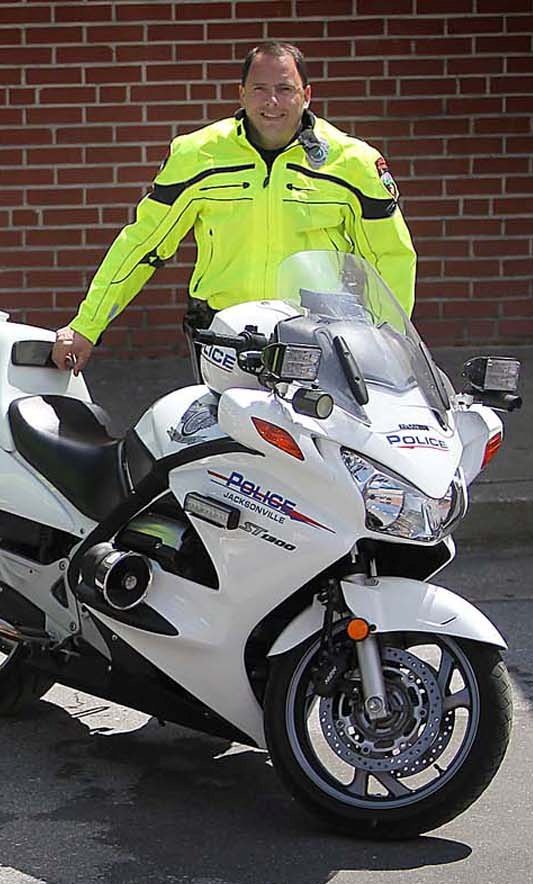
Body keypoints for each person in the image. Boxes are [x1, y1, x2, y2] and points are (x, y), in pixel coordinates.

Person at [52, 41, 416, 376]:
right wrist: (87, 325)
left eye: (285, 89)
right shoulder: (196, 155)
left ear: (306, 95)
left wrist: (389, 345)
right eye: (259, 89)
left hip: (317, 340)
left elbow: (389, 257)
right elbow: (142, 244)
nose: (271, 102)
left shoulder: (353, 162)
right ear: (241, 94)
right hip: (225, 340)